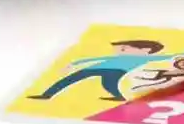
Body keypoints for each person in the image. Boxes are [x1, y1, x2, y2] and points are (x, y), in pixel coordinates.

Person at [27, 40, 174, 102]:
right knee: (69, 79)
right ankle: (47, 95)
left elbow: (169, 56)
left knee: (109, 85)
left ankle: (119, 97)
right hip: (96, 68)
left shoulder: (146, 58)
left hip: (116, 71)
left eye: (123, 49)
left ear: (146, 50)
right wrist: (74, 64)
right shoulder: (121, 57)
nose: (119, 52)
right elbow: (97, 58)